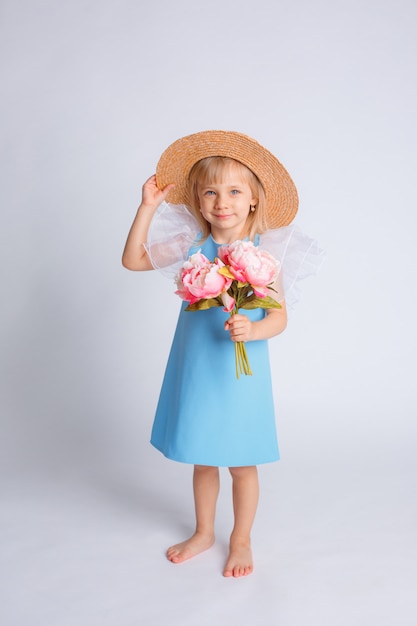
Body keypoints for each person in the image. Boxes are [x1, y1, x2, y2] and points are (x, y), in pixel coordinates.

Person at [122, 131, 322, 578]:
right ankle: (204, 531)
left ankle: (241, 539)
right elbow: (133, 260)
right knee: (204, 455)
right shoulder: (192, 245)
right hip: (197, 365)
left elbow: (279, 320)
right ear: (197, 197)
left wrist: (252, 329)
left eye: (234, 191)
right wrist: (148, 207)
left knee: (241, 461)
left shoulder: (264, 256)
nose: (221, 201)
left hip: (238, 371)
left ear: (253, 201)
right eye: (210, 191)